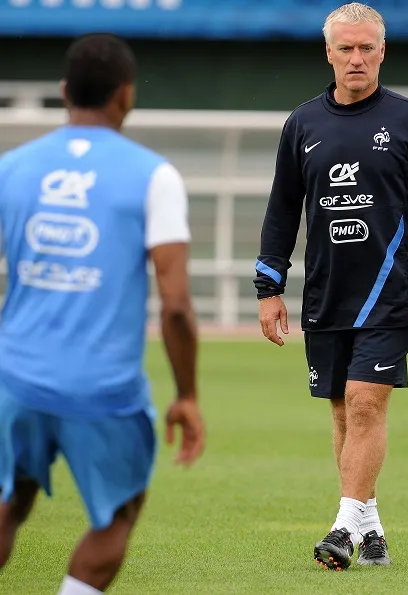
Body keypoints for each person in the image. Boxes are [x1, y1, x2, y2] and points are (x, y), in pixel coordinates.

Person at [254, 2, 408, 571]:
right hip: (325, 292)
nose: (357, 58)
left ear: (382, 51)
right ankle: (370, 529)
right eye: (346, 48)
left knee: (367, 403)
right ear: (329, 53)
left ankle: (342, 529)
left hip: (392, 293)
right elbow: (281, 211)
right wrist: (268, 287)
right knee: (344, 410)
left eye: (367, 47)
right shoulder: (302, 125)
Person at [0, 34, 205, 594]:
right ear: (126, 95)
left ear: (64, 92)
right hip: (102, 390)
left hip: (13, 378)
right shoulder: (154, 176)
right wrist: (186, 395)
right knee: (117, 515)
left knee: (9, 502)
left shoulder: (11, 169)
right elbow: (178, 307)